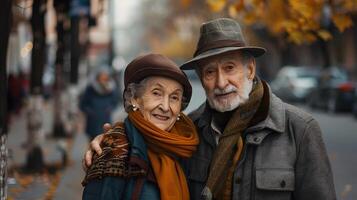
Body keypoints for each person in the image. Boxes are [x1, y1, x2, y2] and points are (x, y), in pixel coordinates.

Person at [84, 18, 336, 200]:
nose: (220, 82)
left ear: (249, 69)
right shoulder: (188, 133)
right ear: (201, 79)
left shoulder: (298, 130)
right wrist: (112, 139)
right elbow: (146, 138)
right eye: (209, 72)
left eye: (229, 68)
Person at [81, 53, 199, 200]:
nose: (166, 106)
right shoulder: (115, 151)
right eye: (157, 93)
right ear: (135, 99)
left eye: (174, 97)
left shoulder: (188, 146)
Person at [79, 67, 119, 140]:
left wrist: (109, 109)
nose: (103, 80)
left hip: (105, 120)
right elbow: (82, 104)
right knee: (93, 144)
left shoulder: (111, 89)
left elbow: (115, 102)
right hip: (93, 122)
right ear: (97, 78)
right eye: (101, 77)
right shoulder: (90, 88)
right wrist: (90, 112)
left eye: (105, 78)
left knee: (105, 143)